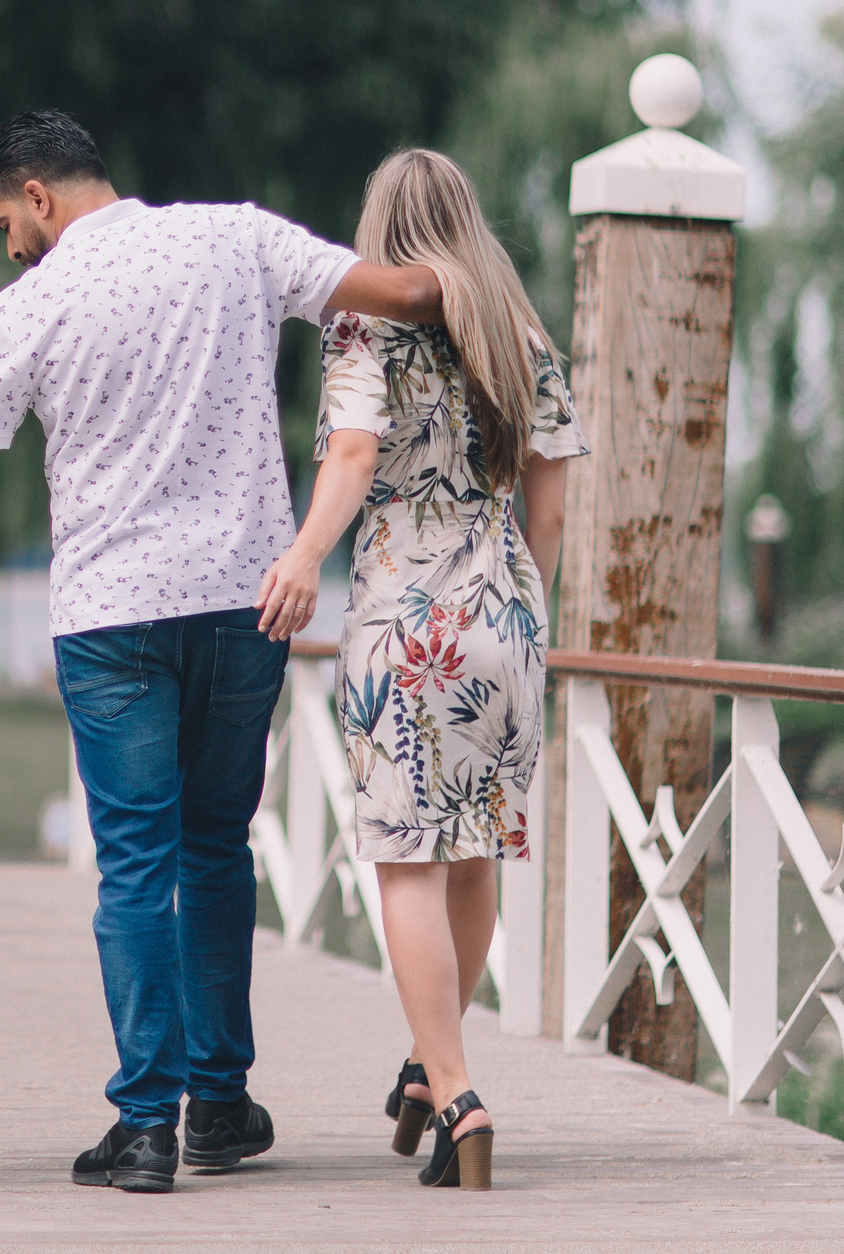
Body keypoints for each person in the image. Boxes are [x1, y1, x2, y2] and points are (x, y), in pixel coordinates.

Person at [0, 110, 444, 1194]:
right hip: (241, 605)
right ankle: (218, 1103)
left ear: (38, 196)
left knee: (135, 862)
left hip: (109, 618)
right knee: (217, 847)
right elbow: (409, 295)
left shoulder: (26, 309)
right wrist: (482, 288)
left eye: (4, 219)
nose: (6, 245)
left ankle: (143, 1127)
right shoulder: (240, 236)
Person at [255, 148, 588, 1192]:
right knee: (474, 852)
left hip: (408, 617)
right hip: (508, 612)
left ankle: (456, 1092)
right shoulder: (520, 329)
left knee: (406, 858)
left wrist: (304, 556)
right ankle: (423, 1067)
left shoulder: (369, 321)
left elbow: (352, 456)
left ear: (380, 223)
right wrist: (528, 603)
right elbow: (551, 496)